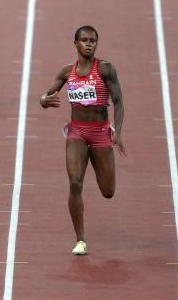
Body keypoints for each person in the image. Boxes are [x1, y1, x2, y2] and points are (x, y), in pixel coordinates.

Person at [39, 25, 125, 256]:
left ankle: (102, 169)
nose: (88, 44)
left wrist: (118, 131)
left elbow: (118, 101)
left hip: (100, 133)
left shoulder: (105, 69)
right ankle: (80, 240)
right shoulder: (67, 72)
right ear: (75, 43)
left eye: (92, 40)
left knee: (108, 191)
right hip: (77, 132)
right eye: (84, 40)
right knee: (75, 183)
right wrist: (43, 101)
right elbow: (46, 95)